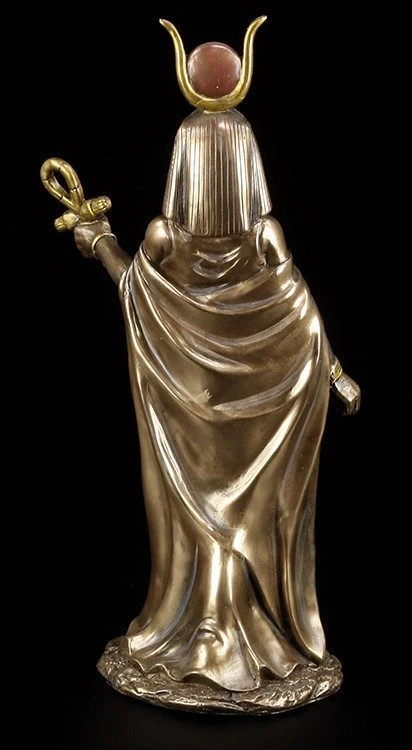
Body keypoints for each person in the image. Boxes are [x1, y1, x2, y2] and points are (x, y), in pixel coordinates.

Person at [51, 18, 361, 712]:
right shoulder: (267, 236)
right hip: (261, 411)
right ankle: (234, 637)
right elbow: (303, 318)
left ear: (181, 165)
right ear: (250, 165)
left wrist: (98, 242)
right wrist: (334, 372)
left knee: (201, 518)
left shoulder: (164, 237)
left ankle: (204, 632)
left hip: (185, 403)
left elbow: (137, 292)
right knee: (246, 513)